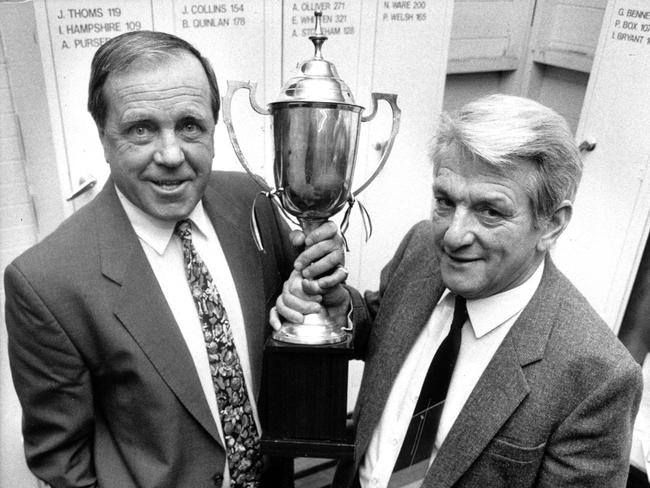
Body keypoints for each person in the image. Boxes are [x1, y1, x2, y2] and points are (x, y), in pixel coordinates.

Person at [4, 31, 344, 488]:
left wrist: (323, 291)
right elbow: (61, 463)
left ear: (213, 127)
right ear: (103, 136)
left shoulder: (254, 201)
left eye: (189, 125)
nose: (170, 155)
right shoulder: (47, 282)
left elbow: (294, 330)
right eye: (140, 129)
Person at [273, 94, 644, 487]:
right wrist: (340, 308)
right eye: (445, 201)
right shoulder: (420, 248)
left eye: (490, 211)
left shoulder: (597, 377)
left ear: (551, 224)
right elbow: (384, 325)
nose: (453, 235)